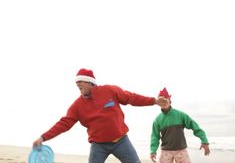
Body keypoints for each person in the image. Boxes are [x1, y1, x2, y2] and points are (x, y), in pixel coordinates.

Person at [33, 68, 168, 163]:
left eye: (81, 82)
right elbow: (64, 124)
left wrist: (154, 101)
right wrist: (43, 137)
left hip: (121, 141)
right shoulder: (77, 105)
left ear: (90, 82)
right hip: (98, 145)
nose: (77, 84)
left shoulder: (109, 90)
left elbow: (131, 98)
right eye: (76, 83)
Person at [150, 87, 210, 163]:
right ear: (158, 103)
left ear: (170, 100)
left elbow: (194, 126)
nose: (164, 102)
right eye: (161, 101)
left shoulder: (180, 115)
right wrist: (153, 151)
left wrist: (204, 141)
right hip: (165, 151)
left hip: (181, 150)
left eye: (166, 100)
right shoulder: (157, 120)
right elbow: (155, 136)